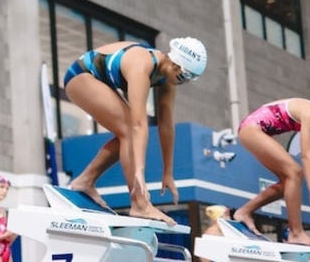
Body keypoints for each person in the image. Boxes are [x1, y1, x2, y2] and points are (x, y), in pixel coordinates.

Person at [61, 37, 207, 224]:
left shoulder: (168, 78)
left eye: (190, 79)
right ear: (176, 66)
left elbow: (166, 125)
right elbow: (139, 124)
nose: (184, 83)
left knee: (127, 132)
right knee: (129, 131)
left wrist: (168, 173)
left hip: (98, 79)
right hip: (80, 76)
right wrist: (138, 172)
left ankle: (85, 181)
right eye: (185, 77)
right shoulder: (141, 65)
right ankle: (139, 204)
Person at [232, 92, 310, 247]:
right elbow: (306, 155)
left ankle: (244, 211)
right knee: (295, 172)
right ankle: (296, 233)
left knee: (288, 183)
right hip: (251, 129)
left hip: (256, 131)